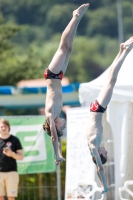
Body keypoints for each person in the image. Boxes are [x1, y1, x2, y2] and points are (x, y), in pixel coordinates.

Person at [43, 3, 90, 165]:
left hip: (52, 74)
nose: (64, 126)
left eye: (61, 127)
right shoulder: (56, 114)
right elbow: (57, 136)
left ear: (54, 126)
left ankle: (75, 16)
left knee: (63, 47)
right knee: (69, 49)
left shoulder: (50, 114)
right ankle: (78, 19)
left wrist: (56, 154)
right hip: (59, 76)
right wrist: (61, 154)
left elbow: (54, 137)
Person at [87, 37, 133, 194]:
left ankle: (125, 52)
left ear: (100, 155)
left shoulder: (93, 147)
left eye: (104, 154)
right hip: (96, 109)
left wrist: (104, 185)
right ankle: (121, 51)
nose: (106, 151)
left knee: (112, 80)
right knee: (109, 79)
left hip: (98, 108)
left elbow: (99, 167)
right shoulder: (95, 145)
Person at [0, 118, 23, 200]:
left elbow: (21, 156)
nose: (3, 128)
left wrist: (12, 154)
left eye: (5, 126)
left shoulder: (14, 140)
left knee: (11, 196)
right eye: (1, 126)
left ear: (8, 127)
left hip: (11, 172)